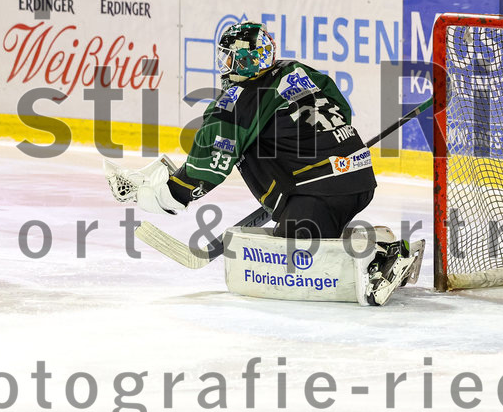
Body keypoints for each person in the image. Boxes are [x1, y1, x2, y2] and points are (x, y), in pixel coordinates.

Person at [125, 22, 418, 303]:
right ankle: (382, 245)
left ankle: (380, 262)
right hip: (359, 177)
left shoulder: (238, 100)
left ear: (244, 61)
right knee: (312, 229)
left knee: (291, 261)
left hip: (317, 195)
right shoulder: (298, 70)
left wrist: (169, 195)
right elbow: (341, 110)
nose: (225, 65)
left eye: (229, 58)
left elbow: (211, 164)